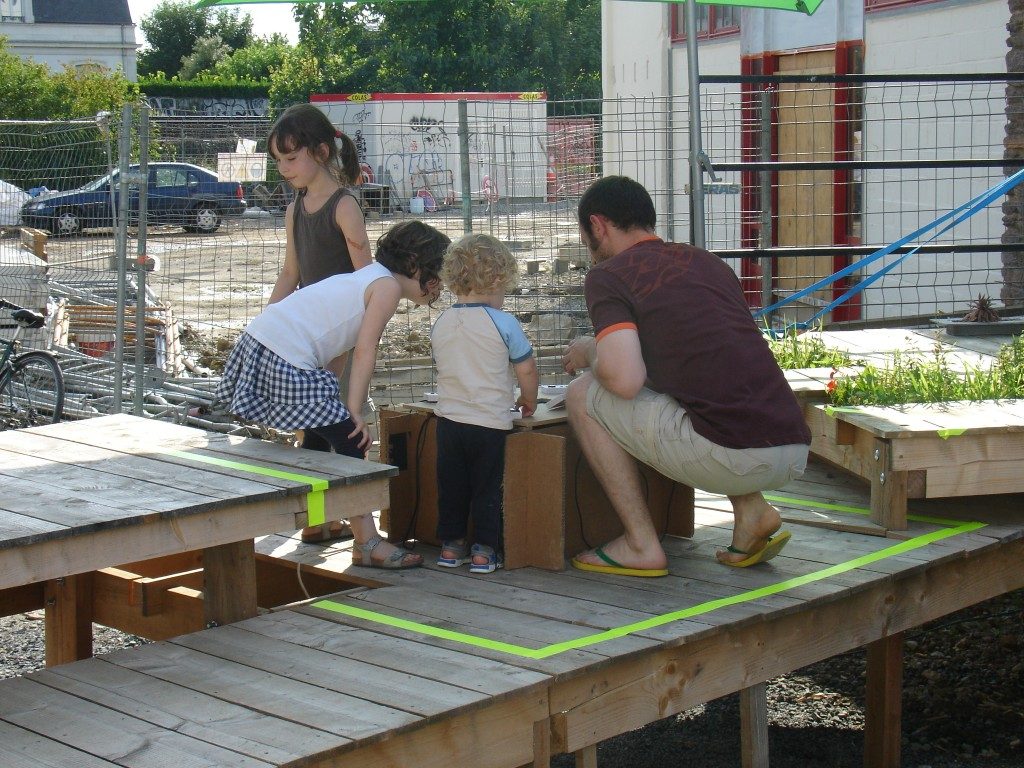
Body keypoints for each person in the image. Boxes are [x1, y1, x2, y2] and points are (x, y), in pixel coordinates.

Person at [560, 176, 811, 577]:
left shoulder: (608, 276)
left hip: (730, 456)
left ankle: (641, 544)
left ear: (598, 225)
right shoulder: (705, 261)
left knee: (580, 394)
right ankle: (752, 512)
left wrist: (590, 351)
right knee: (698, 381)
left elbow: (624, 379)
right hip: (792, 444)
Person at [216, 220, 451, 569]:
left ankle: (317, 522)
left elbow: (338, 345)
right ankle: (367, 543)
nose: (437, 285)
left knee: (318, 432)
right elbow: (366, 350)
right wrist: (353, 410)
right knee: (353, 441)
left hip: (265, 344)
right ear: (415, 264)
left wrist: (333, 404)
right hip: (284, 355)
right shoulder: (385, 288)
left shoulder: (366, 278)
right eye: (435, 275)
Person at [265, 102, 373, 542]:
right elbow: (290, 274)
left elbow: (368, 282)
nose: (284, 168)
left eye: (291, 158)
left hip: (340, 337)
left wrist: (360, 341)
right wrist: (267, 325)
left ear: (322, 152)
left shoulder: (345, 207)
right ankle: (322, 522)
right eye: (278, 161)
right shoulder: (295, 210)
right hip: (310, 337)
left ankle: (334, 521)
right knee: (319, 427)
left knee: (334, 426)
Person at [430, 234, 539, 574]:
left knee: (453, 486)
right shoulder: (504, 322)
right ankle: (484, 550)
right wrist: (529, 398)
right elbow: (527, 367)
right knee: (487, 488)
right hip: (489, 423)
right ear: (496, 280)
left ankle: (451, 546)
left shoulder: (442, 322)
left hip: (448, 422)